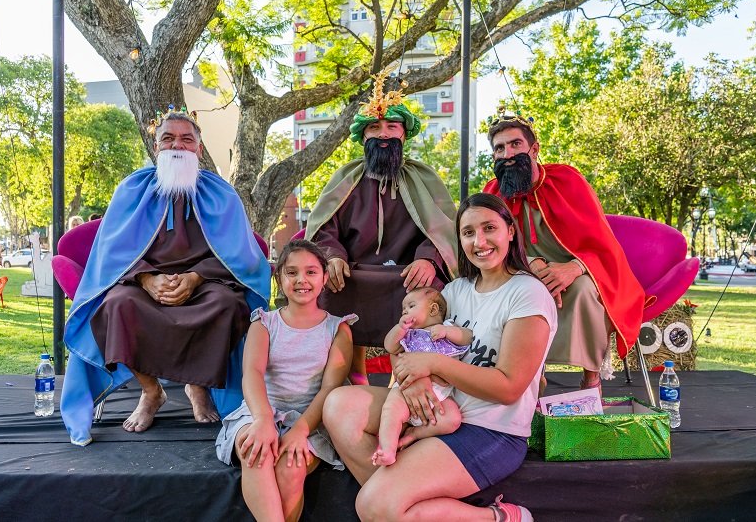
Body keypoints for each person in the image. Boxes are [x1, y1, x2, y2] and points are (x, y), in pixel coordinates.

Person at [324, 193, 557, 521]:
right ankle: (400, 505)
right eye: (468, 232)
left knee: (374, 506)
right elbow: (407, 339)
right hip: (435, 410)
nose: (480, 241)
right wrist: (413, 378)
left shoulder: (527, 294)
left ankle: (497, 518)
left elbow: (508, 387)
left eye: (489, 228)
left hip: (489, 429)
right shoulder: (454, 291)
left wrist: (432, 364)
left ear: (510, 232)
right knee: (338, 405)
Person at [60, 106, 271, 446]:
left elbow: (242, 259)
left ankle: (197, 385)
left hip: (206, 286)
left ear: (199, 149)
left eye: (187, 139)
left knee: (228, 306)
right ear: (155, 146)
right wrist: (146, 279)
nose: (177, 146)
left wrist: (196, 278)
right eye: (168, 138)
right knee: (116, 305)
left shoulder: (222, 194)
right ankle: (150, 391)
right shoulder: (131, 189)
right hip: (141, 287)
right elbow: (111, 255)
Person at [305, 68, 458, 385]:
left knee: (429, 295)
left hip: (406, 273)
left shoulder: (424, 177)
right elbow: (323, 227)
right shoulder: (344, 178)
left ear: (404, 134)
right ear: (364, 137)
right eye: (375, 127)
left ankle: (405, 376)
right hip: (354, 271)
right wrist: (333, 256)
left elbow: (442, 228)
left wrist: (428, 258)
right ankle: (353, 372)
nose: (384, 134)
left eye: (392, 127)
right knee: (332, 288)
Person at [483, 109, 645, 393]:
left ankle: (590, 381)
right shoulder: (492, 193)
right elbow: (489, 246)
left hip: (579, 268)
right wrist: (531, 265)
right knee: (520, 293)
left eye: (515, 144)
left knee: (583, 290)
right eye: (499, 148)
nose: (507, 154)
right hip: (519, 270)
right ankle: (528, 377)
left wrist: (574, 267)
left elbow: (602, 242)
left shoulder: (566, 180)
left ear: (534, 149)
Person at [215, 239, 354, 522]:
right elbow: (252, 373)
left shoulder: (337, 329)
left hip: (310, 420)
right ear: (279, 278)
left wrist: (301, 430)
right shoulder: (264, 323)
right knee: (257, 451)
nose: (301, 280)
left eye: (311, 272)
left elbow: (330, 389)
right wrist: (263, 420)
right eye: (291, 272)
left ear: (325, 278)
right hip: (260, 411)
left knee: (290, 466)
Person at [372, 287, 472, 467]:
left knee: (452, 420)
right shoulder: (408, 335)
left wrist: (446, 332)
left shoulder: (447, 327)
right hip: (406, 392)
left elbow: (467, 337)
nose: (405, 311)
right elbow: (390, 346)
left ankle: (415, 433)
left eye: (410, 306)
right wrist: (400, 328)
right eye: (403, 309)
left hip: (440, 397)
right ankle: (387, 449)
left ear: (433, 309)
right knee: (391, 411)